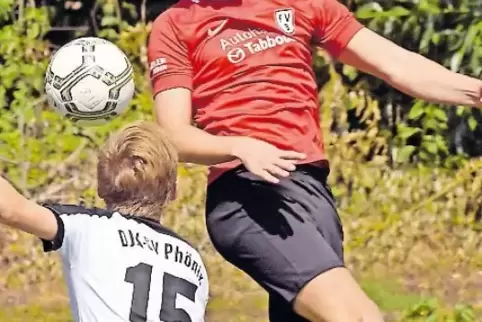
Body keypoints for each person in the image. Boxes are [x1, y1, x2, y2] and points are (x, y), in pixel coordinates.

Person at [147, 0, 482, 321]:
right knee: (358, 316)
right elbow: (174, 136)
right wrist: (239, 147)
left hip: (314, 196)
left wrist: (476, 91)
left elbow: (397, 65)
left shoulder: (306, 4)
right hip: (249, 195)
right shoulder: (176, 23)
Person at [0, 121, 209, 322]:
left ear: (100, 187)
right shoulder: (193, 261)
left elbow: (9, 209)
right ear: (173, 192)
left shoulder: (86, 228)